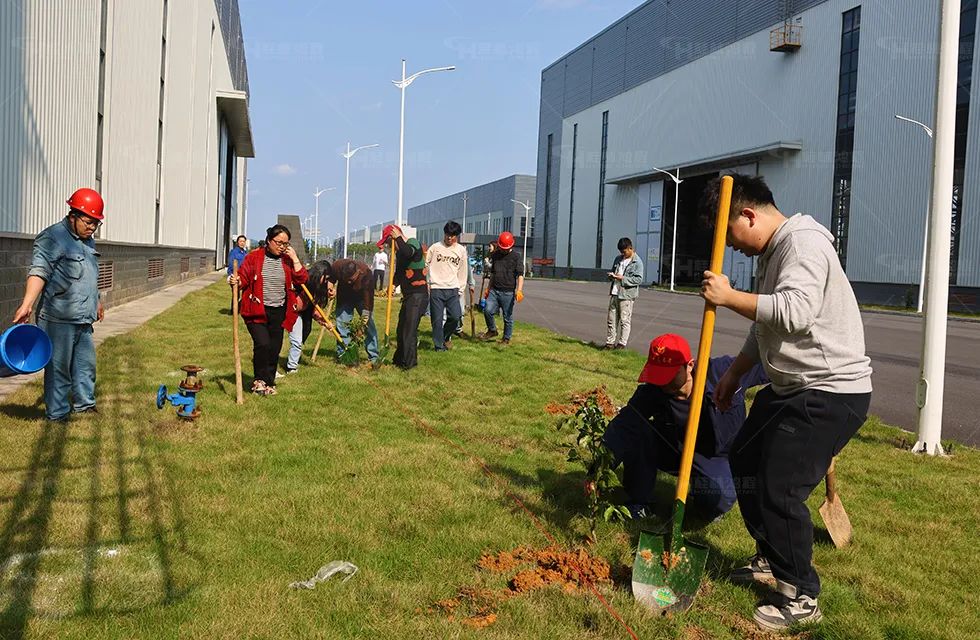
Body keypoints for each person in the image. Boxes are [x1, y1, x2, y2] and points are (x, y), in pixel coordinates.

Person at [699, 174, 872, 631]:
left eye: (729, 235)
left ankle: (800, 596)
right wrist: (735, 375)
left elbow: (794, 314)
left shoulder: (803, 245)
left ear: (748, 215)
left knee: (779, 486)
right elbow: (767, 327)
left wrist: (728, 296)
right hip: (792, 387)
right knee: (745, 456)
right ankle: (771, 556)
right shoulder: (775, 251)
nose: (731, 248)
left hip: (831, 391)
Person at [603, 334, 767, 523]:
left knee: (718, 498)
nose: (663, 384)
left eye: (670, 376)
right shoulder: (654, 390)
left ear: (689, 365)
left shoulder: (723, 372)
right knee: (638, 430)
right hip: (673, 447)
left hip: (715, 455)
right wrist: (599, 468)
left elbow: (772, 368)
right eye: (658, 376)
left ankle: (702, 497)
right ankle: (639, 502)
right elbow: (624, 425)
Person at [13, 188, 106, 421]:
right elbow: (39, 270)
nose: (92, 227)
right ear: (73, 215)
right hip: (58, 318)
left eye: (96, 223)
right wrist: (27, 303)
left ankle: (85, 405)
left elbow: (88, 273)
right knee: (58, 369)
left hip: (83, 317)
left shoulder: (87, 240)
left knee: (86, 366)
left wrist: (97, 302)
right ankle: (58, 413)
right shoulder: (52, 237)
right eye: (89, 222)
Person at [230, 224, 308, 396]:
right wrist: (236, 281)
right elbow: (243, 277)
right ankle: (258, 380)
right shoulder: (254, 257)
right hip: (257, 309)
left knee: (274, 348)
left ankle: (269, 381)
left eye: (286, 243)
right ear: (268, 240)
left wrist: (294, 258)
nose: (282, 246)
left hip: (279, 310)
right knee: (263, 344)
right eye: (279, 242)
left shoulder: (287, 260)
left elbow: (302, 278)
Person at [378, 224, 427, 369]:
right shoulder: (399, 253)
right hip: (408, 296)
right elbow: (399, 272)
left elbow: (409, 253)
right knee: (401, 329)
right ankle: (399, 360)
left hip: (419, 295)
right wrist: (392, 285)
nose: (388, 246)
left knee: (409, 329)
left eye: (388, 242)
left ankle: (409, 364)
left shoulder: (412, 243)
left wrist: (398, 238)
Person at [424, 221, 469, 351]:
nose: (449, 238)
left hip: (453, 289)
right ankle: (438, 346)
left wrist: (460, 288)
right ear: (444, 234)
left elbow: (463, 270)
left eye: (453, 235)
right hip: (436, 288)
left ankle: (445, 336)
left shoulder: (461, 250)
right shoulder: (435, 248)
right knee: (437, 320)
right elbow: (425, 265)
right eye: (447, 235)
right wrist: (427, 283)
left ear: (457, 236)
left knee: (455, 317)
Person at [326, 257, 379, 362]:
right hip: (344, 298)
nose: (349, 282)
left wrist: (362, 327)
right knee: (342, 325)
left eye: (351, 280)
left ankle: (374, 356)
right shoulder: (338, 266)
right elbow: (331, 279)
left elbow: (368, 308)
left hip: (362, 299)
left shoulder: (367, 276)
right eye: (346, 280)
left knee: (369, 327)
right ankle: (344, 355)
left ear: (358, 273)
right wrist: (330, 289)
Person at [478, 232, 524, 345]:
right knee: (487, 310)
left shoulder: (516, 257)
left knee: (507, 316)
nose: (503, 250)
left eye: (505, 248)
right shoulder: (496, 255)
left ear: (511, 246)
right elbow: (493, 273)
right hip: (494, 290)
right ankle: (492, 330)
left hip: (508, 292)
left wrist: (519, 290)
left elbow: (520, 275)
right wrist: (488, 288)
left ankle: (506, 339)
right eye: (501, 248)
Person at [605, 237, 644, 350]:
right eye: (621, 252)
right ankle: (609, 343)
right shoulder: (618, 259)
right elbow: (614, 271)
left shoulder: (637, 262)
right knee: (611, 320)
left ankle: (622, 344)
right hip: (614, 293)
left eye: (624, 251)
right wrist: (612, 276)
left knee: (624, 320)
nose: (622, 254)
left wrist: (622, 278)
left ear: (630, 248)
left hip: (626, 295)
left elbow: (638, 280)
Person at [227, 235, 249, 313]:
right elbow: (231, 264)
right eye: (240, 241)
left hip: (244, 276)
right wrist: (233, 275)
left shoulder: (245, 252)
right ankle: (234, 311)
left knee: (246, 293)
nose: (242, 243)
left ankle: (241, 308)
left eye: (243, 241)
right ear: (237, 242)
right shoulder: (234, 252)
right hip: (235, 275)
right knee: (236, 294)